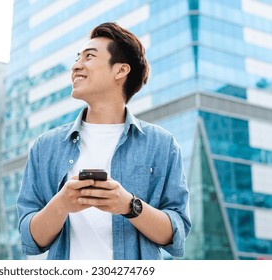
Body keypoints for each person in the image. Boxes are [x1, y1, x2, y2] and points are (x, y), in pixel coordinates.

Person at [17, 22, 191, 260]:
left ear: (120, 71)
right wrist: (62, 203)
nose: (76, 65)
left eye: (89, 57)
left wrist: (129, 205)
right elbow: (30, 239)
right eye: (78, 58)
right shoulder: (45, 147)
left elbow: (177, 233)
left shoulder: (161, 144)